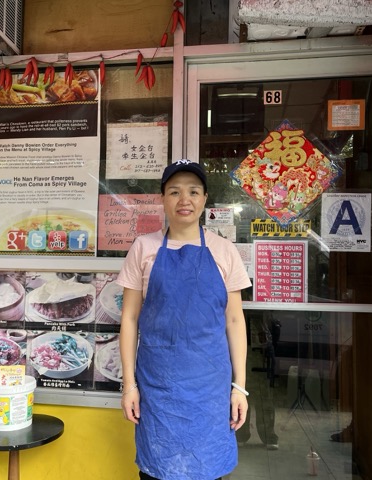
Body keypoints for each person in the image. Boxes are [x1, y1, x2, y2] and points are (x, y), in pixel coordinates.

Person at [117, 159, 252, 480]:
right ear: (162, 199)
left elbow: (235, 321)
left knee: (208, 470)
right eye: (174, 192)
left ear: (205, 199)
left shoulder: (224, 250)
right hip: (158, 385)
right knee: (157, 471)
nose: (184, 200)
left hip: (209, 388)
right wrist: (128, 386)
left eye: (193, 191)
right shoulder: (143, 248)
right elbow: (130, 320)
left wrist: (240, 388)